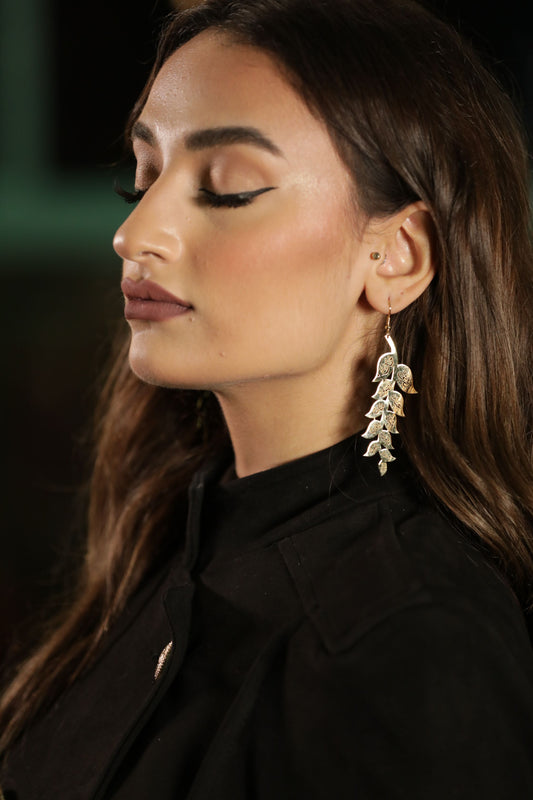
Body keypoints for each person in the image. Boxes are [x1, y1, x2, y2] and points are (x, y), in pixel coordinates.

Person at [1, 0, 533, 796]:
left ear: (395, 256)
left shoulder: (412, 640)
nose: (135, 232)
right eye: (143, 178)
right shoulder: (165, 541)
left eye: (227, 190)